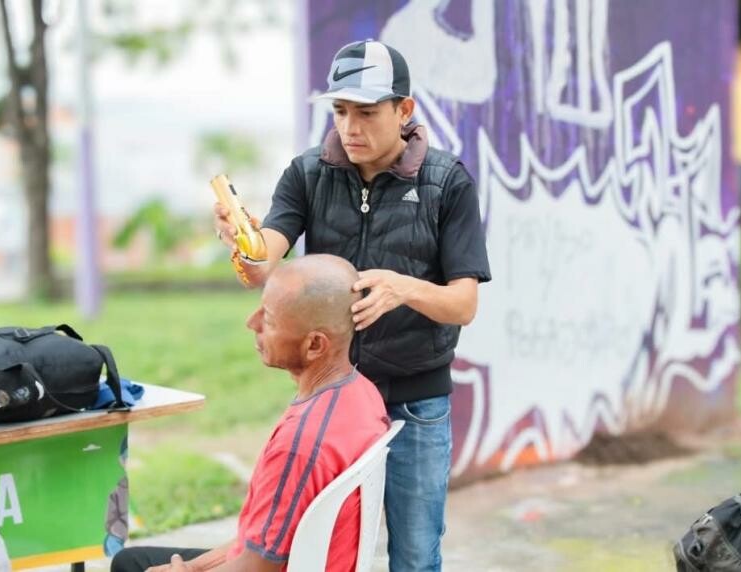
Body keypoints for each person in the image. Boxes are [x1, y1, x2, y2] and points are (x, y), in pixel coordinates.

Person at [214, 39, 491, 572]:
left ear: (404, 111)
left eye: (366, 113)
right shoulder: (308, 173)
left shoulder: (446, 182)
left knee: (414, 556)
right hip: (334, 401)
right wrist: (242, 245)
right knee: (318, 553)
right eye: (341, 111)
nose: (349, 128)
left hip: (417, 401)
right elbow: (265, 264)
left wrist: (402, 286)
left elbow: (464, 303)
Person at [110, 254, 389, 572]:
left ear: (315, 345)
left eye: (268, 320)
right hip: (310, 557)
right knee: (130, 561)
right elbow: (262, 537)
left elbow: (258, 567)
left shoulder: (299, 445)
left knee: (129, 567)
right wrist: (194, 567)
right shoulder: (361, 392)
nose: (251, 322)